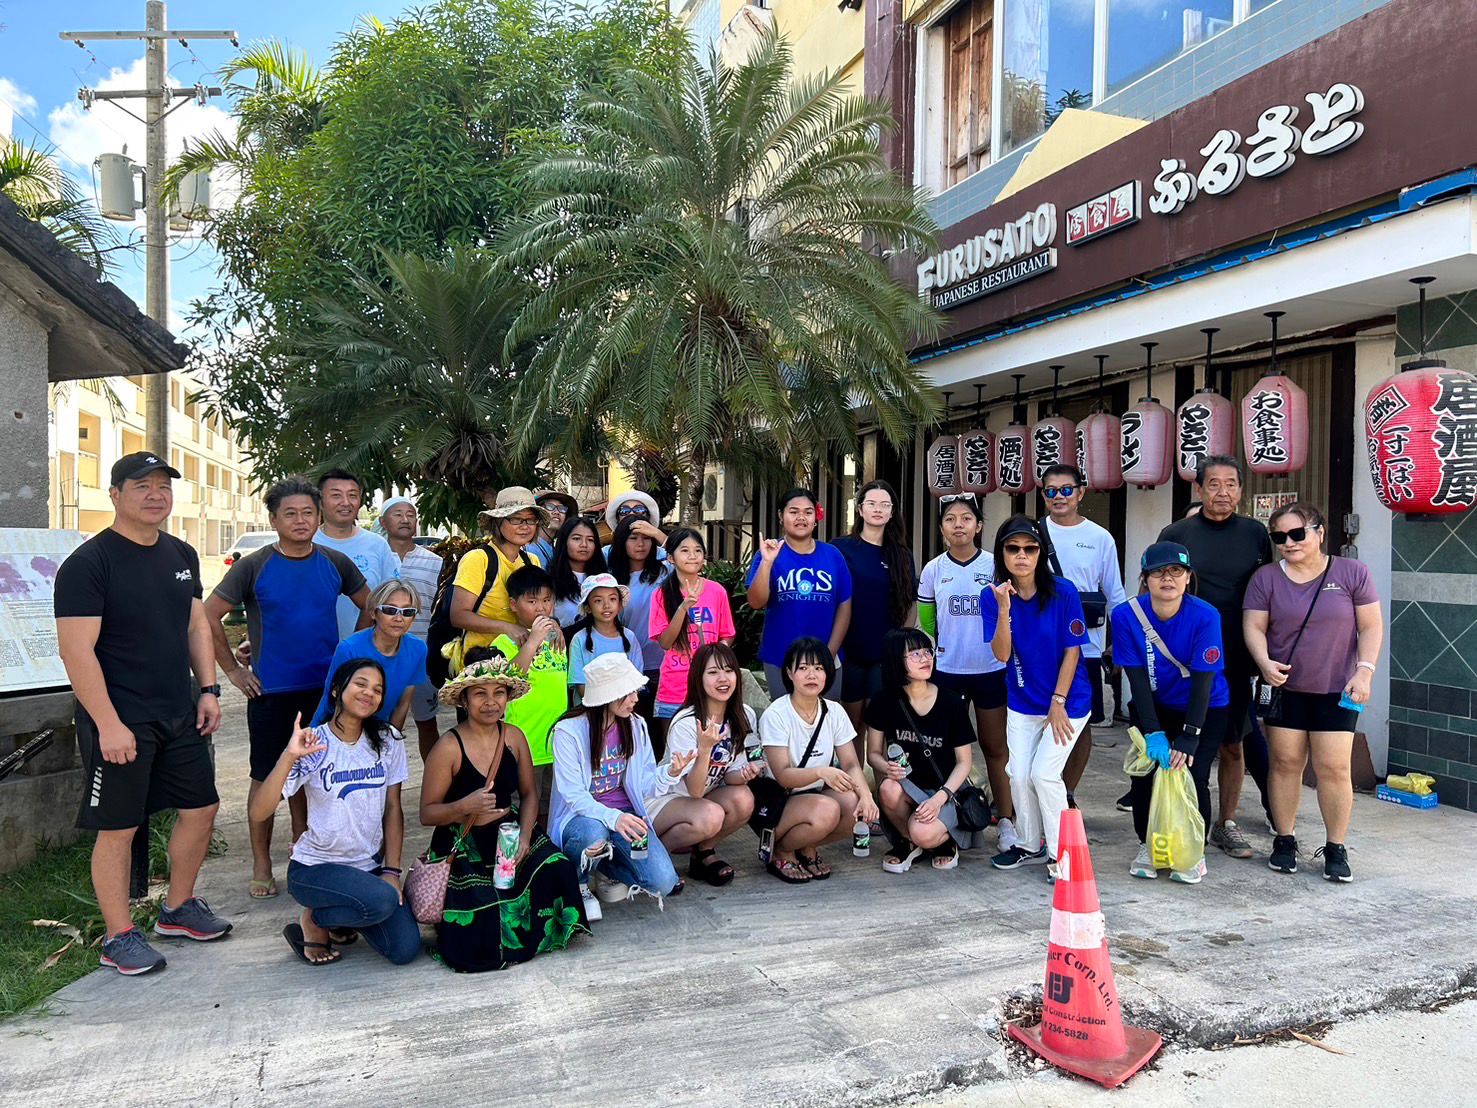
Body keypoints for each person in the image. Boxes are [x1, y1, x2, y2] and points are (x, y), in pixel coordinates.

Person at [55, 451, 231, 976]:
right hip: (120, 717)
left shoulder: (180, 553)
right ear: (114, 495)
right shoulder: (89, 564)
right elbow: (76, 652)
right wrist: (108, 724)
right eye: (141, 486)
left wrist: (208, 689)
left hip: (179, 710)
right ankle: (118, 935)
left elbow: (196, 626)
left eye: (163, 485)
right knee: (120, 827)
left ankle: (177, 909)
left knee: (201, 808)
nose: (155, 494)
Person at [205, 475, 369, 901]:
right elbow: (208, 616)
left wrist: (349, 659)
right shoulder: (254, 564)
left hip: (323, 692)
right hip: (271, 693)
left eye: (307, 513)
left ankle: (304, 849)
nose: (300, 521)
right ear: (274, 519)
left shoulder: (334, 562)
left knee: (312, 776)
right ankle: (262, 860)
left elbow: (371, 605)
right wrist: (234, 673)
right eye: (290, 514)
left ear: (319, 517)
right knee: (265, 778)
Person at [419, 658, 588, 971]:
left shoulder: (513, 737)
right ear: (464, 700)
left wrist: (525, 836)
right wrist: (463, 807)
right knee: (482, 906)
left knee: (558, 868)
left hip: (509, 834)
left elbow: (529, 794)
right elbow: (427, 813)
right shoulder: (448, 747)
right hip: (463, 839)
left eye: (499, 692)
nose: (490, 702)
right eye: (480, 693)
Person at [1244, 503, 1382, 883]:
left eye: (1297, 534)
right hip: (1285, 687)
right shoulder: (1266, 578)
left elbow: (1370, 627)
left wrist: (1365, 672)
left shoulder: (1352, 572)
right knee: (1285, 764)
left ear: (1319, 532)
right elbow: (1254, 626)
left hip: (1338, 687)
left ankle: (1336, 847)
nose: (1288, 543)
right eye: (1279, 537)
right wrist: (1264, 663)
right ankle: (1285, 839)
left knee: (1334, 768)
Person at [251, 659, 418, 966]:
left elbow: (393, 809)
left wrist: (392, 872)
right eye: (361, 684)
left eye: (378, 689)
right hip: (315, 868)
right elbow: (259, 811)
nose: (369, 693)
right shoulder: (315, 742)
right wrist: (289, 756)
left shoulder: (388, 740)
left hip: (367, 867)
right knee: (380, 901)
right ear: (337, 691)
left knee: (404, 949)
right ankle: (315, 920)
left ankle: (338, 917)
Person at [1159, 455, 1273, 860]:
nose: (1222, 492)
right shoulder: (1177, 533)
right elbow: (1159, 589)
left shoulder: (1256, 534)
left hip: (1237, 657)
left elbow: (1267, 594)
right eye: (1213, 484)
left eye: (1231, 484)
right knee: (1181, 746)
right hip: (1183, 659)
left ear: (1241, 490)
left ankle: (1226, 823)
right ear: (1198, 488)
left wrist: (1265, 654)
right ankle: (1180, 820)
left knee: (1232, 745)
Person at [983, 517, 1092, 883]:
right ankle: (1029, 844)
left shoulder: (1063, 591)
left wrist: (1057, 703)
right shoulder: (993, 595)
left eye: (1030, 548)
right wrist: (1002, 609)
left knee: (1044, 775)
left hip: (1067, 701)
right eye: (1013, 549)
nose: (1021, 556)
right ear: (1002, 554)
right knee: (1018, 773)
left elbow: (1073, 651)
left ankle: (1065, 855)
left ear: (1041, 553)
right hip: (1023, 701)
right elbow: (1001, 654)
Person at [1112, 543, 1229, 884]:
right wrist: (1153, 731)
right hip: (1154, 705)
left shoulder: (1205, 615)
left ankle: (1194, 852)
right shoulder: (1126, 615)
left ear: (1188, 577)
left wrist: (1190, 735)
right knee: (1145, 776)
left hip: (1205, 706)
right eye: (1158, 572)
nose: (1168, 578)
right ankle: (1148, 845)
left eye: (1176, 571)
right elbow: (1136, 678)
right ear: (1145, 579)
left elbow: (1204, 681)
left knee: (1193, 774)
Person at [918, 494, 1017, 850]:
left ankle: (1006, 820)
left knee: (995, 748)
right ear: (942, 527)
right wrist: (933, 653)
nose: (958, 525)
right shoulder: (933, 570)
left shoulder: (996, 566)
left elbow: (1009, 618)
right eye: (950, 519)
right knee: (947, 750)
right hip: (947, 672)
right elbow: (927, 620)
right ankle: (954, 818)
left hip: (991, 670)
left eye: (966, 518)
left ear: (979, 525)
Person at [550, 653, 680, 919]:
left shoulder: (636, 725)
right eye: (628, 691)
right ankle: (580, 881)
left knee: (663, 882)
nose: (635, 698)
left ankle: (604, 867)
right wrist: (613, 817)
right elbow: (574, 795)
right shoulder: (568, 731)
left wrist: (671, 772)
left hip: (626, 816)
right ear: (607, 695)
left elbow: (644, 784)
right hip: (583, 818)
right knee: (593, 832)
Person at [1038, 465, 1128, 800]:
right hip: (1039, 648)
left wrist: (1120, 645)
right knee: (1035, 719)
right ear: (1043, 495)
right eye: (1051, 491)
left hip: (1086, 646)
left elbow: (1115, 594)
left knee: (1080, 722)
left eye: (1065, 489)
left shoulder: (1100, 538)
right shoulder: (1032, 534)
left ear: (1080, 492)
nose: (1058, 496)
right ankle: (1041, 789)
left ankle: (1068, 792)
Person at [760, 639, 879, 883]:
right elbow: (782, 774)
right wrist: (822, 772)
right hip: (778, 802)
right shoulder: (777, 713)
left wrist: (867, 796)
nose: (811, 674)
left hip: (813, 794)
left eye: (819, 668)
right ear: (789, 673)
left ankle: (806, 847)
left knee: (854, 803)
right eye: (803, 668)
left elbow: (851, 764)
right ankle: (781, 851)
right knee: (828, 809)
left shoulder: (834, 711)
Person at [647, 642, 761, 885]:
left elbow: (729, 775)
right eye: (713, 672)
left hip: (697, 801)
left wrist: (745, 773)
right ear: (698, 678)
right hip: (666, 799)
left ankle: (703, 854)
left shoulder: (744, 715)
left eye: (729, 670)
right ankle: (655, 861)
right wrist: (705, 747)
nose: (723, 678)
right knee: (710, 816)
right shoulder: (687, 722)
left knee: (744, 799)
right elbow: (695, 790)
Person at [864, 629, 975, 873]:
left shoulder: (951, 701)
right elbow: (873, 753)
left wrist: (940, 797)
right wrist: (886, 766)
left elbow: (964, 762)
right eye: (915, 654)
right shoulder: (883, 701)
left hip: (946, 789)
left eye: (927, 651)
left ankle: (944, 843)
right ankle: (910, 841)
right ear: (895, 660)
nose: (925, 658)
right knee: (887, 788)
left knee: (924, 831)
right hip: (908, 787)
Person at [745, 488, 854, 699]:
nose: (801, 517)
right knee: (784, 724)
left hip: (826, 661)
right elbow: (756, 602)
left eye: (808, 512)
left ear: (816, 518)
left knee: (825, 723)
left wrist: (828, 654)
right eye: (793, 512)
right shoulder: (768, 553)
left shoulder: (832, 555)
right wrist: (767, 562)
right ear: (781, 516)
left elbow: (844, 605)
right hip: (780, 658)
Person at [833, 480, 917, 733]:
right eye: (871, 503)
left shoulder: (901, 555)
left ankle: (883, 774)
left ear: (892, 512)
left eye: (884, 505)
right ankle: (854, 773)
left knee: (879, 726)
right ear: (860, 510)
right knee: (851, 727)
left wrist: (899, 643)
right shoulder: (840, 548)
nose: (878, 509)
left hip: (884, 653)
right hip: (848, 651)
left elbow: (911, 602)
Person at [445, 486, 546, 675]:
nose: (525, 526)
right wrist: (507, 627)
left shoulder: (532, 561)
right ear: (498, 522)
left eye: (531, 520)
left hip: (517, 662)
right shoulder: (478, 559)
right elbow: (458, 616)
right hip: (477, 665)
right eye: (516, 519)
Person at [649, 529, 736, 733]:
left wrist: (717, 658)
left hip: (712, 686)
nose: (692, 556)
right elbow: (665, 642)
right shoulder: (661, 594)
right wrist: (683, 608)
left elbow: (727, 633)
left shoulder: (716, 591)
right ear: (671, 557)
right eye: (685, 550)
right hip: (675, 686)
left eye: (698, 550)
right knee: (675, 756)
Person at [312, 580, 429, 731]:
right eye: (390, 610)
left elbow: (403, 703)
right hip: (342, 730)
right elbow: (332, 701)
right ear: (374, 612)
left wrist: (392, 742)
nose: (399, 618)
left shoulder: (418, 649)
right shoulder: (349, 649)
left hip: (381, 731)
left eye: (407, 612)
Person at [379, 495, 446, 758]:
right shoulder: (378, 556)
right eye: (398, 514)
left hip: (421, 655)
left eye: (411, 514)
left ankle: (435, 781)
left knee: (427, 722)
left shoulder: (435, 561)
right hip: (382, 654)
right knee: (379, 724)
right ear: (383, 521)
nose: (405, 519)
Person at [489, 565, 570, 767]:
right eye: (532, 601)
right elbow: (508, 680)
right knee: (525, 797)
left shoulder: (557, 638)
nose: (541, 608)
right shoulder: (503, 642)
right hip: (522, 745)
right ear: (514, 604)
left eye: (546, 600)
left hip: (556, 746)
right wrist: (533, 641)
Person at [314, 469, 398, 640]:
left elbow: (392, 598)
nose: (346, 502)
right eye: (336, 496)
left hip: (366, 650)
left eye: (352, 495)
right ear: (320, 502)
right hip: (311, 650)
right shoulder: (306, 543)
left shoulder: (377, 545)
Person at [606, 515, 670, 715]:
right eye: (633, 538)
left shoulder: (666, 571)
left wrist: (659, 534)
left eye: (646, 538)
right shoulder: (610, 579)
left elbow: (691, 558)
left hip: (664, 665)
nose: (641, 544)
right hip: (626, 666)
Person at [568, 573, 644, 701]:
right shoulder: (579, 639)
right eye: (598, 600)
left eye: (612, 599)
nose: (606, 605)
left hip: (622, 711)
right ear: (588, 607)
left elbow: (636, 681)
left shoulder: (629, 637)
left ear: (620, 605)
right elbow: (581, 685)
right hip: (590, 714)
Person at [547, 515, 607, 631]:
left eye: (590, 540)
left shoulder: (604, 579)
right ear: (564, 542)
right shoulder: (550, 580)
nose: (584, 544)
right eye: (576, 538)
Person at [602, 490, 668, 561]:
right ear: (617, 519)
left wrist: (658, 534)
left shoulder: (662, 555)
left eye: (639, 509)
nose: (631, 514)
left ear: (648, 516)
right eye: (624, 510)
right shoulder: (605, 554)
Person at [528, 489, 579, 566]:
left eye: (562, 508)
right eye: (550, 506)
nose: (557, 512)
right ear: (537, 513)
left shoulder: (558, 549)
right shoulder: (527, 548)